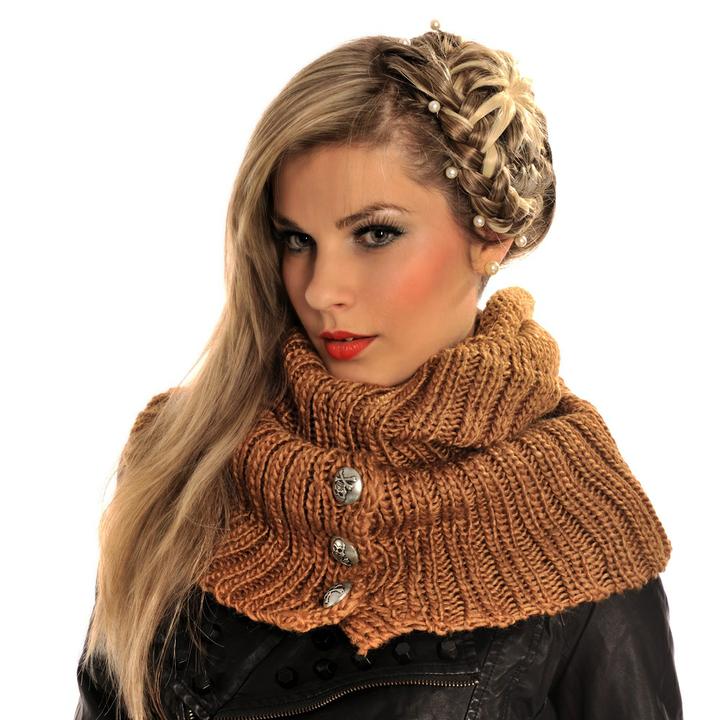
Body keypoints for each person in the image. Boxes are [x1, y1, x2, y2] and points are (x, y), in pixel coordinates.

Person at [74, 19, 683, 720]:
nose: (320, 289)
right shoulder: (181, 459)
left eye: (375, 234)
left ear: (490, 235)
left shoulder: (579, 517)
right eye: (296, 239)